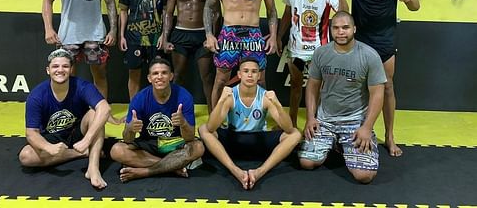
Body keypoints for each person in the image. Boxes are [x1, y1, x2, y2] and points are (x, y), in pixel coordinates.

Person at [339, 0, 420, 157]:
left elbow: (415, 5)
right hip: (360, 42)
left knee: (387, 87)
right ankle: (361, 129)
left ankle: (390, 136)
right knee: (359, 88)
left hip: (385, 42)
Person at [299, 11, 386, 184]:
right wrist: (310, 117)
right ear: (330, 30)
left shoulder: (369, 55)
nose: (340, 32)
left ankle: (345, 143)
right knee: (307, 163)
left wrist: (367, 127)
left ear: (354, 28)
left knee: (364, 176)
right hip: (326, 120)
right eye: (336, 28)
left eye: (345, 27)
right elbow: (312, 85)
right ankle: (334, 143)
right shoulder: (321, 53)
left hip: (354, 121)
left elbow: (377, 93)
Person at [199, 57, 301, 190]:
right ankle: (234, 170)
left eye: (254, 72)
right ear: (239, 74)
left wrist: (277, 103)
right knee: (203, 130)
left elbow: (288, 128)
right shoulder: (230, 95)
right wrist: (221, 101)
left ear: (259, 75)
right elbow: (211, 127)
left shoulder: (265, 96)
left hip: (258, 140)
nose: (250, 75)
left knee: (295, 134)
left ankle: (259, 172)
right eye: (246, 71)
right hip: (234, 140)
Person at [18, 49, 111, 189]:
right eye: (55, 66)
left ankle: (93, 168)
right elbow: (31, 133)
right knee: (26, 156)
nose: (60, 70)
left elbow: (105, 109)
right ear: (48, 70)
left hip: (77, 133)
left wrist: (86, 140)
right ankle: (79, 154)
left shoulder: (82, 86)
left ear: (71, 69)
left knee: (95, 114)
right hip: (52, 137)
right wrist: (48, 147)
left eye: (65, 66)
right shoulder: (37, 95)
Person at [277, 0, 348, 127]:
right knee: (295, 87)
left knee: (319, 88)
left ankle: (317, 125)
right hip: (295, 48)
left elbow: (343, 13)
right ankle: (291, 124)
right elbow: (287, 13)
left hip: (319, 49)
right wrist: (279, 36)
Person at [203, 0, 278, 107]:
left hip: (253, 34)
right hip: (229, 33)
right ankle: (215, 124)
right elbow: (208, 7)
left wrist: (273, 36)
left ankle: (258, 122)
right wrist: (209, 35)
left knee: (260, 80)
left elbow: (272, 11)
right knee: (221, 80)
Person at [42, 0, 117, 99]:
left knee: (100, 75)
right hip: (69, 34)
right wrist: (48, 28)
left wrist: (113, 31)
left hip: (95, 34)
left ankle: (101, 110)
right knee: (67, 75)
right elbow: (47, 1)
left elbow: (111, 3)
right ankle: (70, 110)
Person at [110, 58, 204, 182]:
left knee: (198, 147)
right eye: (155, 73)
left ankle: (145, 172)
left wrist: (183, 123)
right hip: (149, 143)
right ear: (149, 78)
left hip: (174, 143)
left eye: (164, 73)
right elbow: (128, 139)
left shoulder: (184, 96)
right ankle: (172, 167)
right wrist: (130, 128)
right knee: (116, 150)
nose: (159, 77)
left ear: (171, 76)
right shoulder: (139, 99)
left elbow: (189, 138)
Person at [162, 0, 215, 112]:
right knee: (177, 75)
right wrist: (165, 38)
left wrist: (212, 35)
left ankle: (213, 113)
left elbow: (217, 12)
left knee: (207, 77)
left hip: (202, 34)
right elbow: (168, 14)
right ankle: (174, 112)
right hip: (180, 33)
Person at [119, 0, 168, 100]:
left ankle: (157, 107)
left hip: (155, 38)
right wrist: (121, 36)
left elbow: (167, 12)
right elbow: (123, 11)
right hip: (134, 37)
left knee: (158, 74)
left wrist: (164, 36)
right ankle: (134, 110)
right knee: (134, 73)